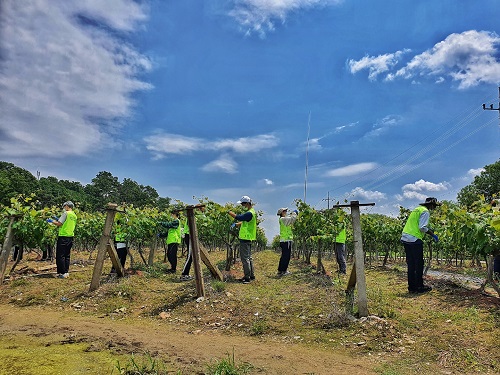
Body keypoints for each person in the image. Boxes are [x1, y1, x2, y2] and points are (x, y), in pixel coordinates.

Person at [400, 197, 440, 294]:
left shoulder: (417, 209)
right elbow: (422, 227)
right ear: (431, 205)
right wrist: (432, 234)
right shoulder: (425, 211)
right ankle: (419, 287)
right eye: (434, 206)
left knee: (411, 264)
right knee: (418, 264)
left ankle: (412, 287)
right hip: (414, 238)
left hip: (405, 237)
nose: (434, 208)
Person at [229, 196, 257, 284]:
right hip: (248, 237)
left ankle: (247, 277)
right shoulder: (251, 212)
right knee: (249, 258)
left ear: (247, 203)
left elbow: (239, 217)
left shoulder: (249, 213)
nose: (242, 205)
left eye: (243, 204)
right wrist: (237, 224)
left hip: (245, 238)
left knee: (245, 259)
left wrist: (229, 212)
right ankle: (251, 275)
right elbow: (244, 221)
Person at [47, 201, 77, 279]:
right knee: (67, 255)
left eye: (64, 206)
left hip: (63, 236)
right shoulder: (74, 215)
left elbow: (59, 224)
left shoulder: (66, 213)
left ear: (67, 206)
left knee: (60, 255)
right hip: (70, 236)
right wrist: (57, 219)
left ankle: (61, 273)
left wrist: (51, 221)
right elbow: (66, 222)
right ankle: (66, 272)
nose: (64, 208)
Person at [276, 207, 298, 277]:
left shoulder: (282, 219)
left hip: (284, 240)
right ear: (282, 213)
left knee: (284, 256)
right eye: (285, 211)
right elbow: (292, 219)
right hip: (286, 240)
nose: (286, 212)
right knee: (286, 256)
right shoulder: (283, 219)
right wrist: (294, 213)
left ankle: (280, 270)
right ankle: (284, 271)